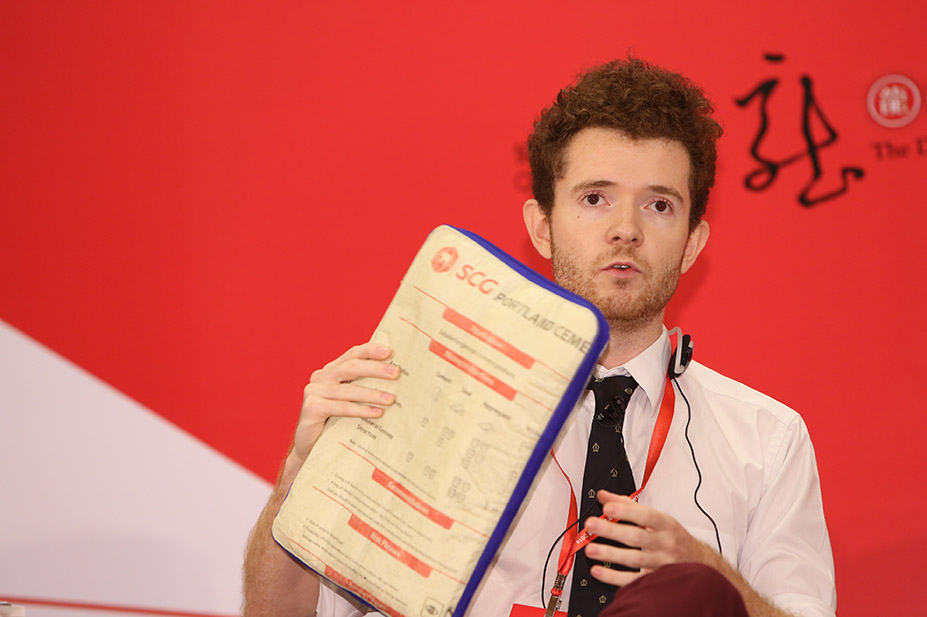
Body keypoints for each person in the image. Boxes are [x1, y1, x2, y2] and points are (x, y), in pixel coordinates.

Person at [242, 57, 836, 617]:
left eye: (659, 205)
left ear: (692, 244)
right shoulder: (419, 397)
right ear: (542, 227)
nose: (625, 230)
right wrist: (301, 474)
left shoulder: (767, 439)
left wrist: (717, 580)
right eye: (595, 198)